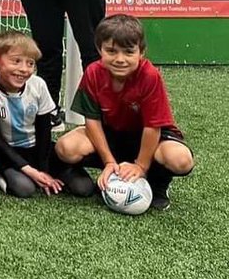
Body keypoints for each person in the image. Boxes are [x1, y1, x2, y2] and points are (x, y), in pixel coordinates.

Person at [53, 13, 193, 210]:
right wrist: (109, 161)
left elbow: (152, 126)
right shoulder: (93, 72)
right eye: (111, 51)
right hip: (112, 133)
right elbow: (92, 121)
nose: (120, 59)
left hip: (148, 136)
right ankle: (97, 173)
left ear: (141, 52)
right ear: (99, 49)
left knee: (180, 160)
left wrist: (141, 166)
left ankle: (158, 183)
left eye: (128, 52)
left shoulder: (149, 76)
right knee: (65, 147)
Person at [0, 30, 63, 198]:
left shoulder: (38, 85)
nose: (24, 69)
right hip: (5, 151)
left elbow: (44, 130)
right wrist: (28, 170)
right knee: (24, 188)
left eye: (30, 63)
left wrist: (43, 170)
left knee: (82, 187)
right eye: (16, 61)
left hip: (35, 149)